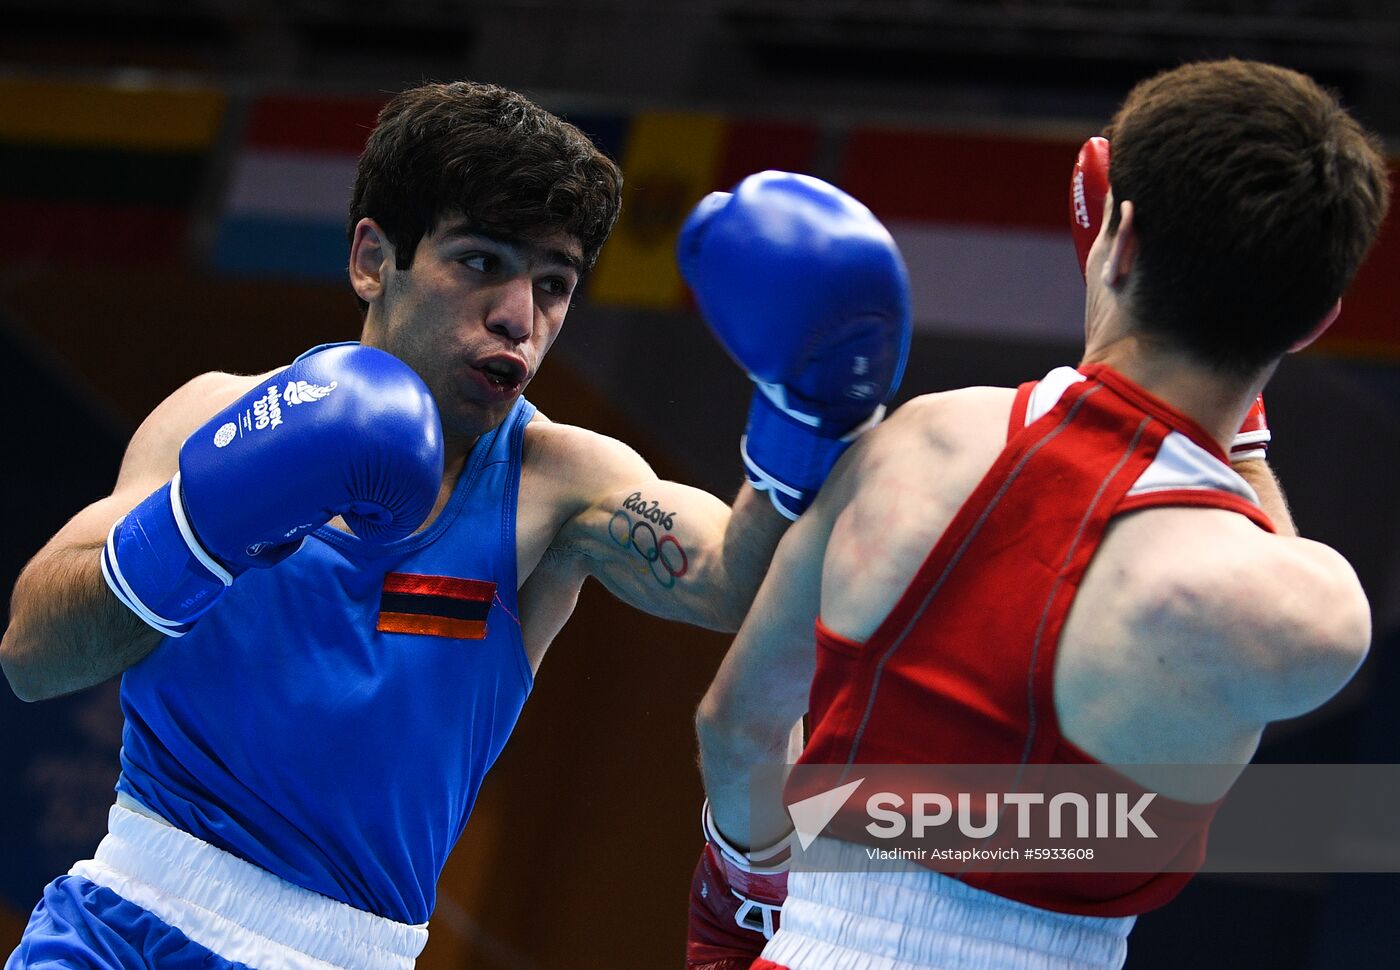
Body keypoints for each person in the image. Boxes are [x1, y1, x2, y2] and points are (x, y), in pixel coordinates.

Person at [0, 81, 912, 968]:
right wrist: (202, 526)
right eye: (481, 263)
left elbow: (732, 583)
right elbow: (34, 657)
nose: (519, 318)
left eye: (553, 285)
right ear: (373, 259)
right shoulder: (215, 416)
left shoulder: (560, 483)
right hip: (117, 923)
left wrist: (806, 423)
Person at [687, 58, 1392, 970]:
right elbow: (1251, 548)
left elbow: (737, 725)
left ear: (1121, 241)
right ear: (1317, 321)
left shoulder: (914, 445)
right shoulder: (1306, 609)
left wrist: (741, 900)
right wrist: (1239, 425)